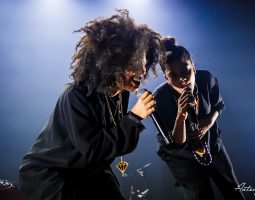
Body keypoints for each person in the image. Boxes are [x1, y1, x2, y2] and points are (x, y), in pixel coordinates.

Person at [19, 10, 162, 200]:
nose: (142, 72)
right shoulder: (76, 95)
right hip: (52, 174)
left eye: (143, 64)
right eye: (134, 65)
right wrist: (134, 118)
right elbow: (94, 149)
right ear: (113, 63)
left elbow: (113, 145)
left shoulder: (120, 95)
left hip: (90, 171)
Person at [153, 37, 245, 200]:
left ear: (193, 68)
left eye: (186, 71)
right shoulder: (159, 99)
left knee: (234, 193)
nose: (182, 79)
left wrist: (209, 122)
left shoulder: (207, 79)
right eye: (173, 75)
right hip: (180, 157)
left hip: (212, 145)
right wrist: (181, 114)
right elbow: (176, 143)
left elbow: (219, 104)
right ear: (166, 79)